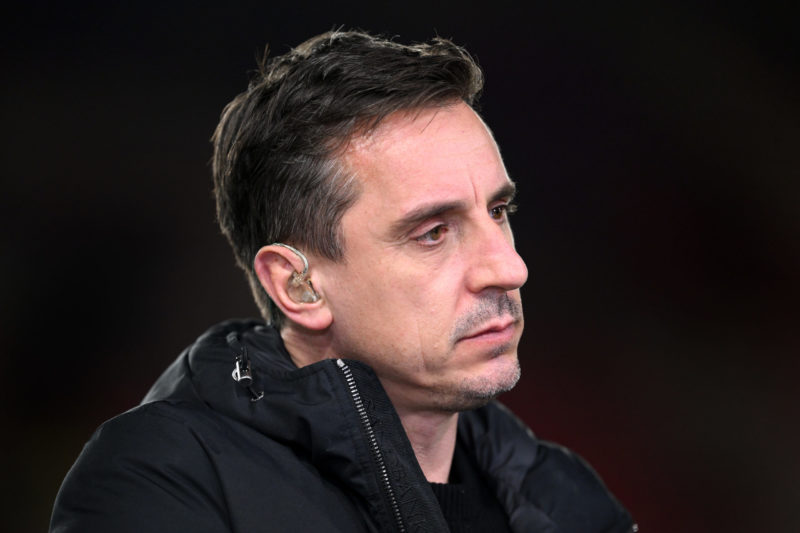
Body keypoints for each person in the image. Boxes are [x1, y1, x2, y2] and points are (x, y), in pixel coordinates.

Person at [50, 30, 636, 532]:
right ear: (298, 286)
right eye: (432, 232)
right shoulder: (159, 480)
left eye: (497, 212)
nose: (510, 269)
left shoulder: (568, 498)